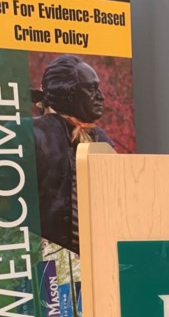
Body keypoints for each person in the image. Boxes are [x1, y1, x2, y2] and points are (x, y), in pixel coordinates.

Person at [32, 54, 114, 254]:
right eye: (91, 88)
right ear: (67, 94)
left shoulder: (100, 139)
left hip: (99, 258)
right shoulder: (29, 134)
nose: (101, 96)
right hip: (44, 266)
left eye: (98, 87)